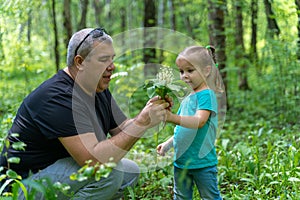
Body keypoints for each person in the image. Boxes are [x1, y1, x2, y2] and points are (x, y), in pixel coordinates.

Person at [0, 27, 170, 199]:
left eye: (112, 59)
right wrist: (140, 123)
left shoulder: (95, 86)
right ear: (80, 62)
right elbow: (94, 162)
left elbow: (121, 128)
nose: (112, 66)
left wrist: (147, 117)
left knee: (130, 171)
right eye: (103, 60)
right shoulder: (57, 97)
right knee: (109, 173)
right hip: (21, 187)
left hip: (59, 172)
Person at [157, 45, 223, 200]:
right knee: (180, 196)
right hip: (181, 161)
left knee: (210, 196)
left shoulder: (206, 95)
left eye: (190, 70)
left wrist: (172, 117)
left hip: (202, 163)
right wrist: (168, 144)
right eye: (181, 71)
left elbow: (199, 122)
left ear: (206, 70)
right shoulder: (188, 98)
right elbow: (183, 129)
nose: (184, 76)